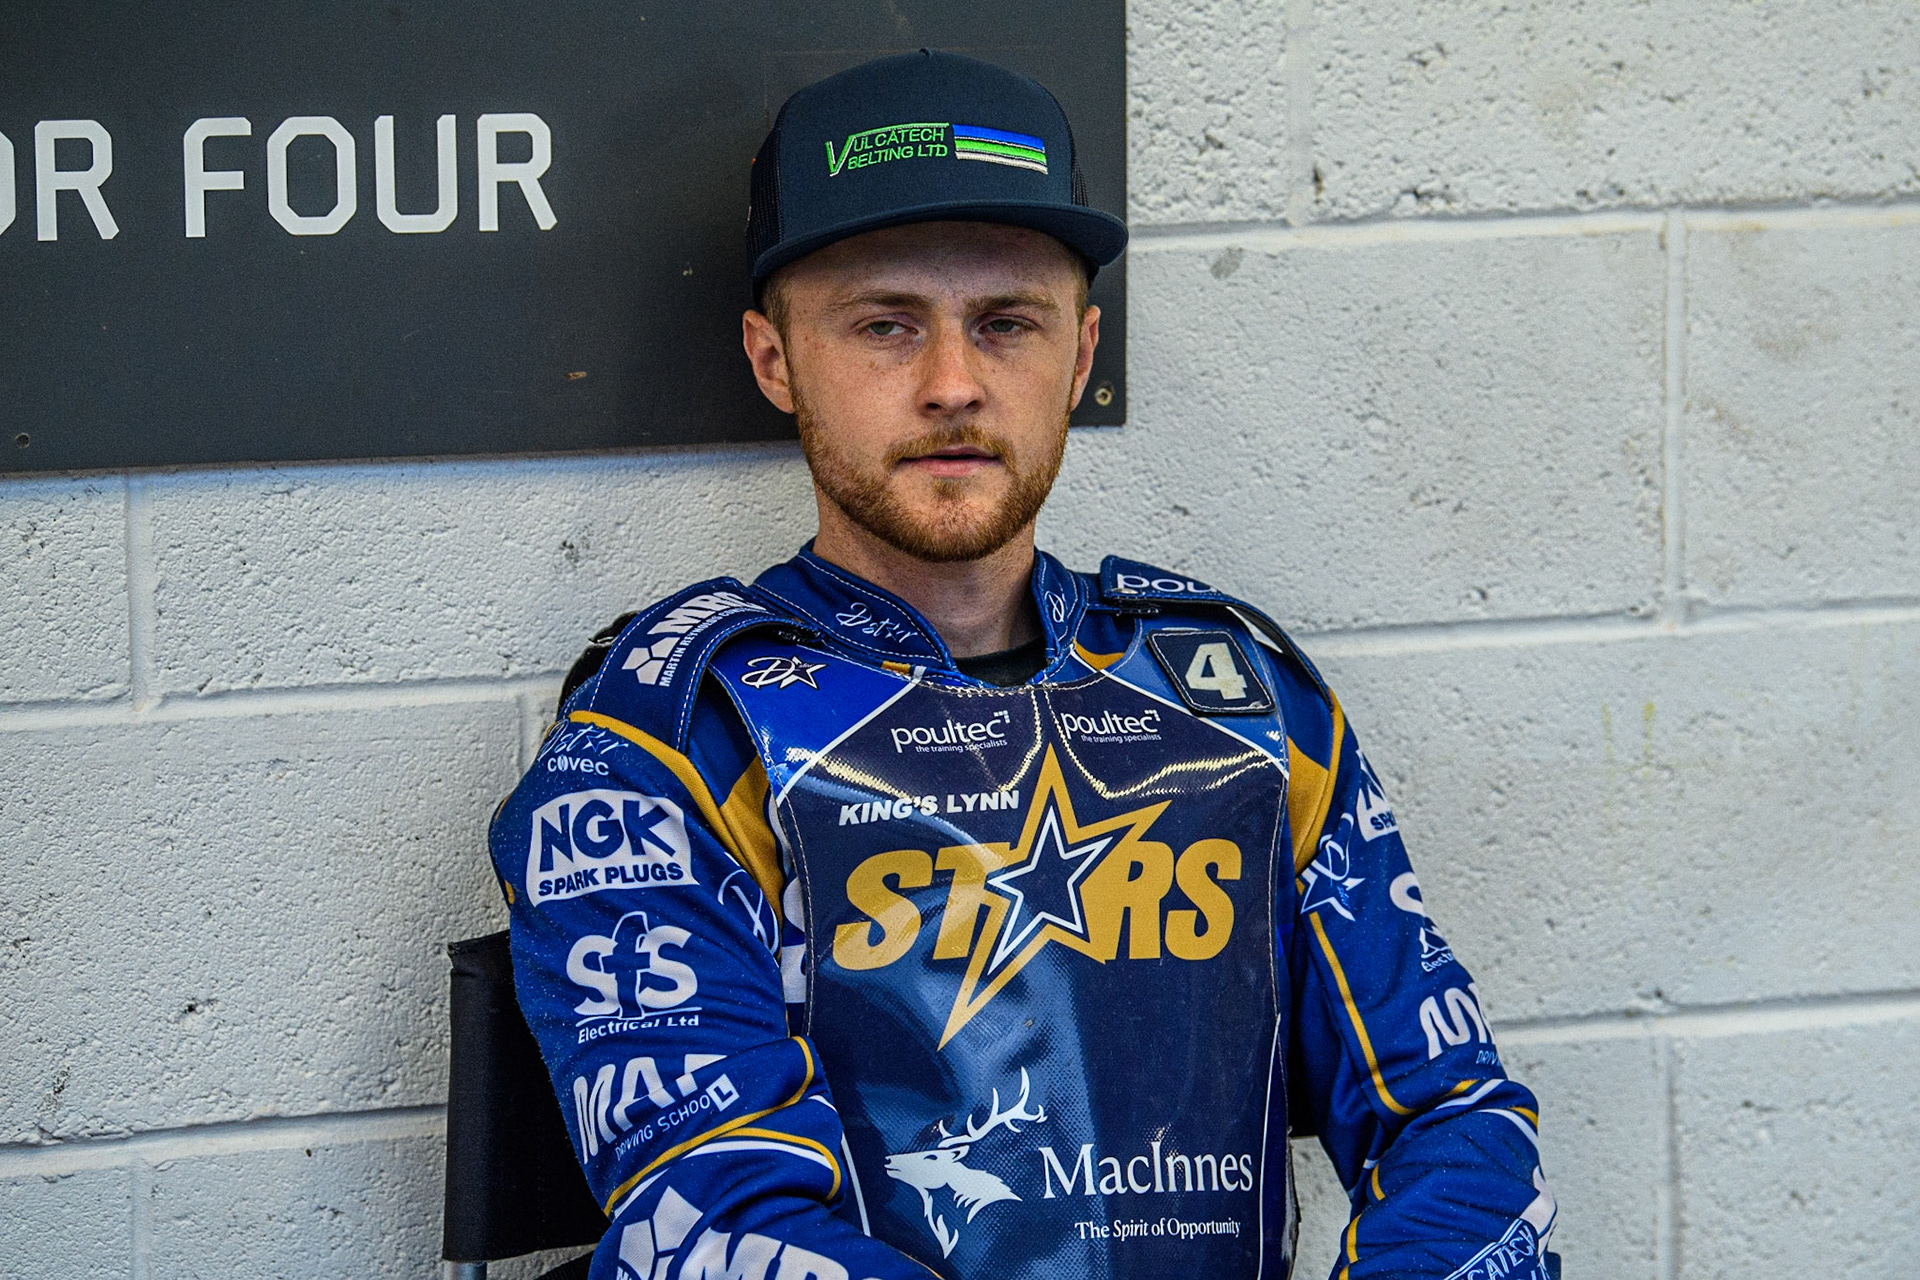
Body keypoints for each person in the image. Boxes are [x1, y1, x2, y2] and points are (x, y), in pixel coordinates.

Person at [488, 49, 1559, 1280]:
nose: (953, 384)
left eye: (1007, 323)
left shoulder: (1245, 699)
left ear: (1082, 350)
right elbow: (719, 1224)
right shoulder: (669, 735)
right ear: (774, 358)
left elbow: (1455, 1120)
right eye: (885, 324)